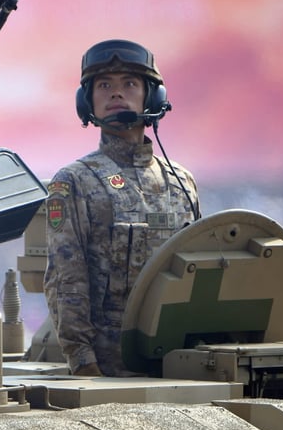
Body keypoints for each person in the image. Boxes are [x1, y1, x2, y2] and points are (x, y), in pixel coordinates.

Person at [44, 39, 200, 377]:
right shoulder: (74, 182)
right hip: (109, 371)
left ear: (153, 97)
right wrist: (83, 361)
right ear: (87, 101)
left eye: (129, 83)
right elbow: (66, 279)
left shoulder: (182, 181)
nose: (116, 93)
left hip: (180, 364)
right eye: (104, 86)